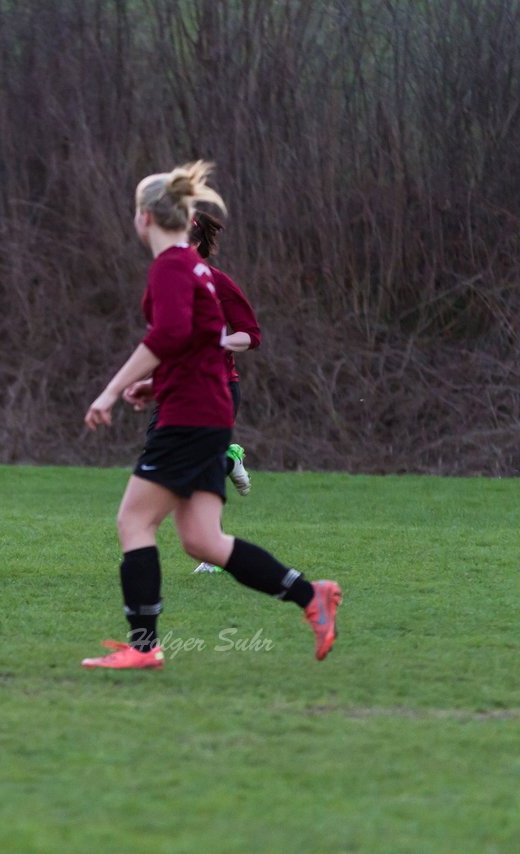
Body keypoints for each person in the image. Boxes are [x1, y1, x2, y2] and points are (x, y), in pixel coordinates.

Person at [81, 161, 340, 670]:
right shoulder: (195, 268)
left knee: (134, 520)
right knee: (202, 539)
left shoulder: (174, 267)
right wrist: (156, 383)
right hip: (203, 407)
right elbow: (197, 341)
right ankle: (312, 595)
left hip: (192, 416)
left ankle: (143, 645)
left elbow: (168, 335)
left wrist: (109, 391)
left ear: (143, 219)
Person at [123, 210, 261, 574]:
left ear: (196, 242)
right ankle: (227, 463)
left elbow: (251, 334)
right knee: (164, 458)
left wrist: (218, 342)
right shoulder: (169, 281)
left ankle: (201, 550)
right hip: (177, 392)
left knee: (184, 465)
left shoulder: (217, 282)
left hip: (217, 390)